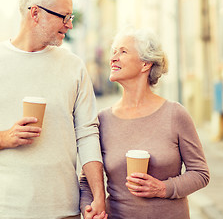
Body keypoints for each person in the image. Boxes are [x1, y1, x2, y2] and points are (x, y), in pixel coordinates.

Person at [0, 0, 107, 218]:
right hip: (1, 210)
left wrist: (98, 196)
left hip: (62, 210)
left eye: (71, 17)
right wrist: (4, 137)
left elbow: (87, 133)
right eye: (64, 17)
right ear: (35, 13)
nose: (70, 25)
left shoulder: (74, 67)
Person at [80, 27, 210, 219]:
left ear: (145, 64)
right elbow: (86, 182)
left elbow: (200, 173)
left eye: (123, 51)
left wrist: (162, 188)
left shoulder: (175, 114)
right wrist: (88, 210)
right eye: (113, 51)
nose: (113, 58)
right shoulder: (102, 120)